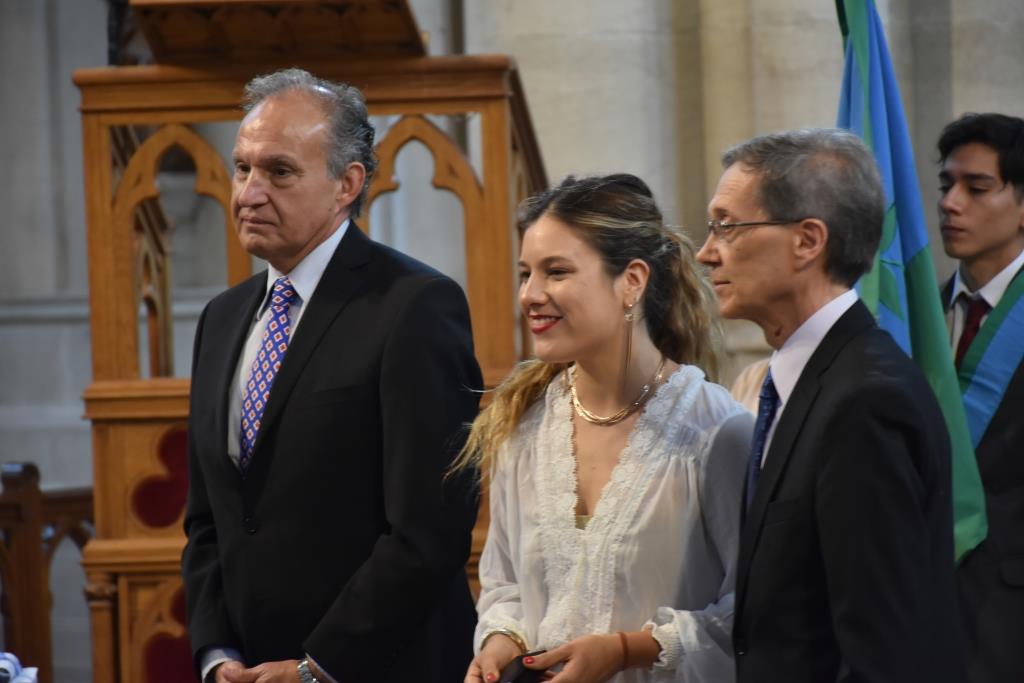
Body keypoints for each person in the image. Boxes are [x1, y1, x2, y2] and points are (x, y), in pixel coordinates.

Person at [181, 68, 482, 683]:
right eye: (242, 168)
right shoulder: (221, 318)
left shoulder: (414, 305)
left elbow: (429, 532)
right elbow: (209, 520)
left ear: (347, 184)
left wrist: (317, 667)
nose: (248, 193)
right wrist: (217, 656)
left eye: (279, 172)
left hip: (379, 667)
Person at [459, 174, 753, 683]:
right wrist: (501, 642)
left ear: (632, 282)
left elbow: (751, 611)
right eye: (526, 273)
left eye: (557, 272)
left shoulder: (717, 432)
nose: (530, 294)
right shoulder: (522, 424)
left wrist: (625, 649)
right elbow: (504, 585)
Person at [696, 128, 966, 682]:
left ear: (807, 241)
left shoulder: (865, 400)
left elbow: (884, 648)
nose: (706, 252)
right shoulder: (813, 380)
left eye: (727, 225)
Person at [937, 112, 1024, 683]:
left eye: (976, 187)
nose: (950, 202)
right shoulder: (916, 315)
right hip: (921, 599)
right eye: (946, 185)